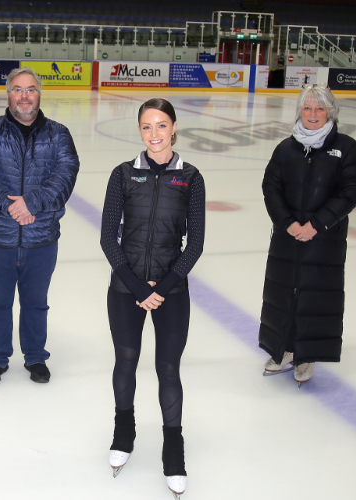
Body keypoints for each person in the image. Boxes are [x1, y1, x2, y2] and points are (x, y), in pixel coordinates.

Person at [99, 98, 204, 497]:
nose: (154, 134)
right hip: (126, 289)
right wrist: (138, 286)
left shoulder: (191, 177)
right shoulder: (123, 174)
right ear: (139, 131)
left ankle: (173, 449)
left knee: (168, 369)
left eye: (161, 125)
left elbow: (195, 244)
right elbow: (109, 236)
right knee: (125, 361)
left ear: (174, 127)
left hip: (172, 291)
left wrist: (161, 287)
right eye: (146, 127)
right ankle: (123, 432)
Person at [0, 67, 79, 385]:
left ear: (39, 94)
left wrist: (32, 203)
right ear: (8, 94)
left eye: (30, 89)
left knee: (35, 303)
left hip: (41, 238)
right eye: (18, 89)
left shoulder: (59, 134)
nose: (24, 96)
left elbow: (65, 174)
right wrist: (11, 208)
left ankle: (35, 356)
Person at [260, 83, 356, 385]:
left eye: (320, 108)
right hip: (287, 238)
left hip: (323, 240)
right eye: (307, 108)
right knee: (282, 293)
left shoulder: (346, 148)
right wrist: (287, 223)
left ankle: (306, 355)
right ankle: (283, 349)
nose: (313, 114)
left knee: (315, 297)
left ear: (330, 112)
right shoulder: (285, 148)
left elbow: (350, 191)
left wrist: (316, 224)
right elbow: (271, 188)